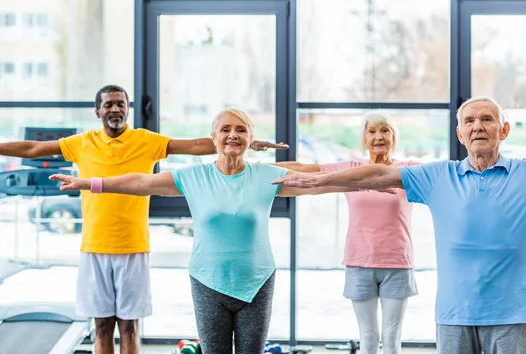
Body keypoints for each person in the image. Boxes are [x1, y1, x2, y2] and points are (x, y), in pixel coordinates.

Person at [272, 96, 526, 354]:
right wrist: (320, 181)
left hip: (512, 311)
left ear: (504, 130)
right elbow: (377, 173)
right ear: (460, 133)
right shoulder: (439, 175)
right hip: (455, 312)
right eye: (469, 121)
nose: (477, 127)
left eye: (487, 119)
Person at [48, 107, 382, 354]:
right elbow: (141, 181)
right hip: (208, 280)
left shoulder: (268, 174)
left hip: (257, 280)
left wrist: (371, 178)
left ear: (250, 138)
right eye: (225, 129)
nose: (232, 135)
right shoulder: (193, 177)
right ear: (214, 137)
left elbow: (319, 177)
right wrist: (89, 183)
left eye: (240, 129)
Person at [0, 86, 287, 354]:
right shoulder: (81, 143)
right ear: (98, 111)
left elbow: (194, 145)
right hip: (93, 245)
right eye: (109, 104)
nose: (115, 109)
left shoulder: (145, 140)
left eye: (121, 104)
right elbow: (31, 150)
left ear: (128, 109)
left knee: (130, 327)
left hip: (134, 245)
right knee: (100, 326)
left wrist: (244, 142)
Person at [276, 111, 418, 354]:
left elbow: (443, 174)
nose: (378, 137)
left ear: (394, 137)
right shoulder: (350, 169)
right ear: (364, 138)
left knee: (392, 336)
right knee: (368, 336)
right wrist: (252, 167)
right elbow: (303, 168)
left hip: (397, 262)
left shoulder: (407, 170)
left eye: (385, 130)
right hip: (359, 261)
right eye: (371, 131)